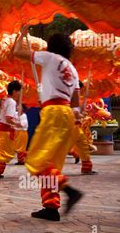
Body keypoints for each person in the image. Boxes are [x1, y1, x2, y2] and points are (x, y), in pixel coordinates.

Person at [14, 27, 84, 221]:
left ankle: (69, 190)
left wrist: (21, 34)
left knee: (36, 160)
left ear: (51, 47)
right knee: (52, 165)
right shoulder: (73, 69)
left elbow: (17, 52)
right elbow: (76, 101)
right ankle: (51, 207)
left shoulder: (50, 58)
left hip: (53, 113)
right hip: (66, 114)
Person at [68, 81, 97, 174]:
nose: (79, 90)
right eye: (78, 89)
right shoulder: (68, 96)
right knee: (63, 148)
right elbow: (73, 112)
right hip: (70, 127)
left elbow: (78, 111)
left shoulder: (76, 98)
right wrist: (79, 114)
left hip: (76, 127)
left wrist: (81, 112)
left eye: (79, 89)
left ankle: (86, 168)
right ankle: (46, 168)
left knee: (83, 146)